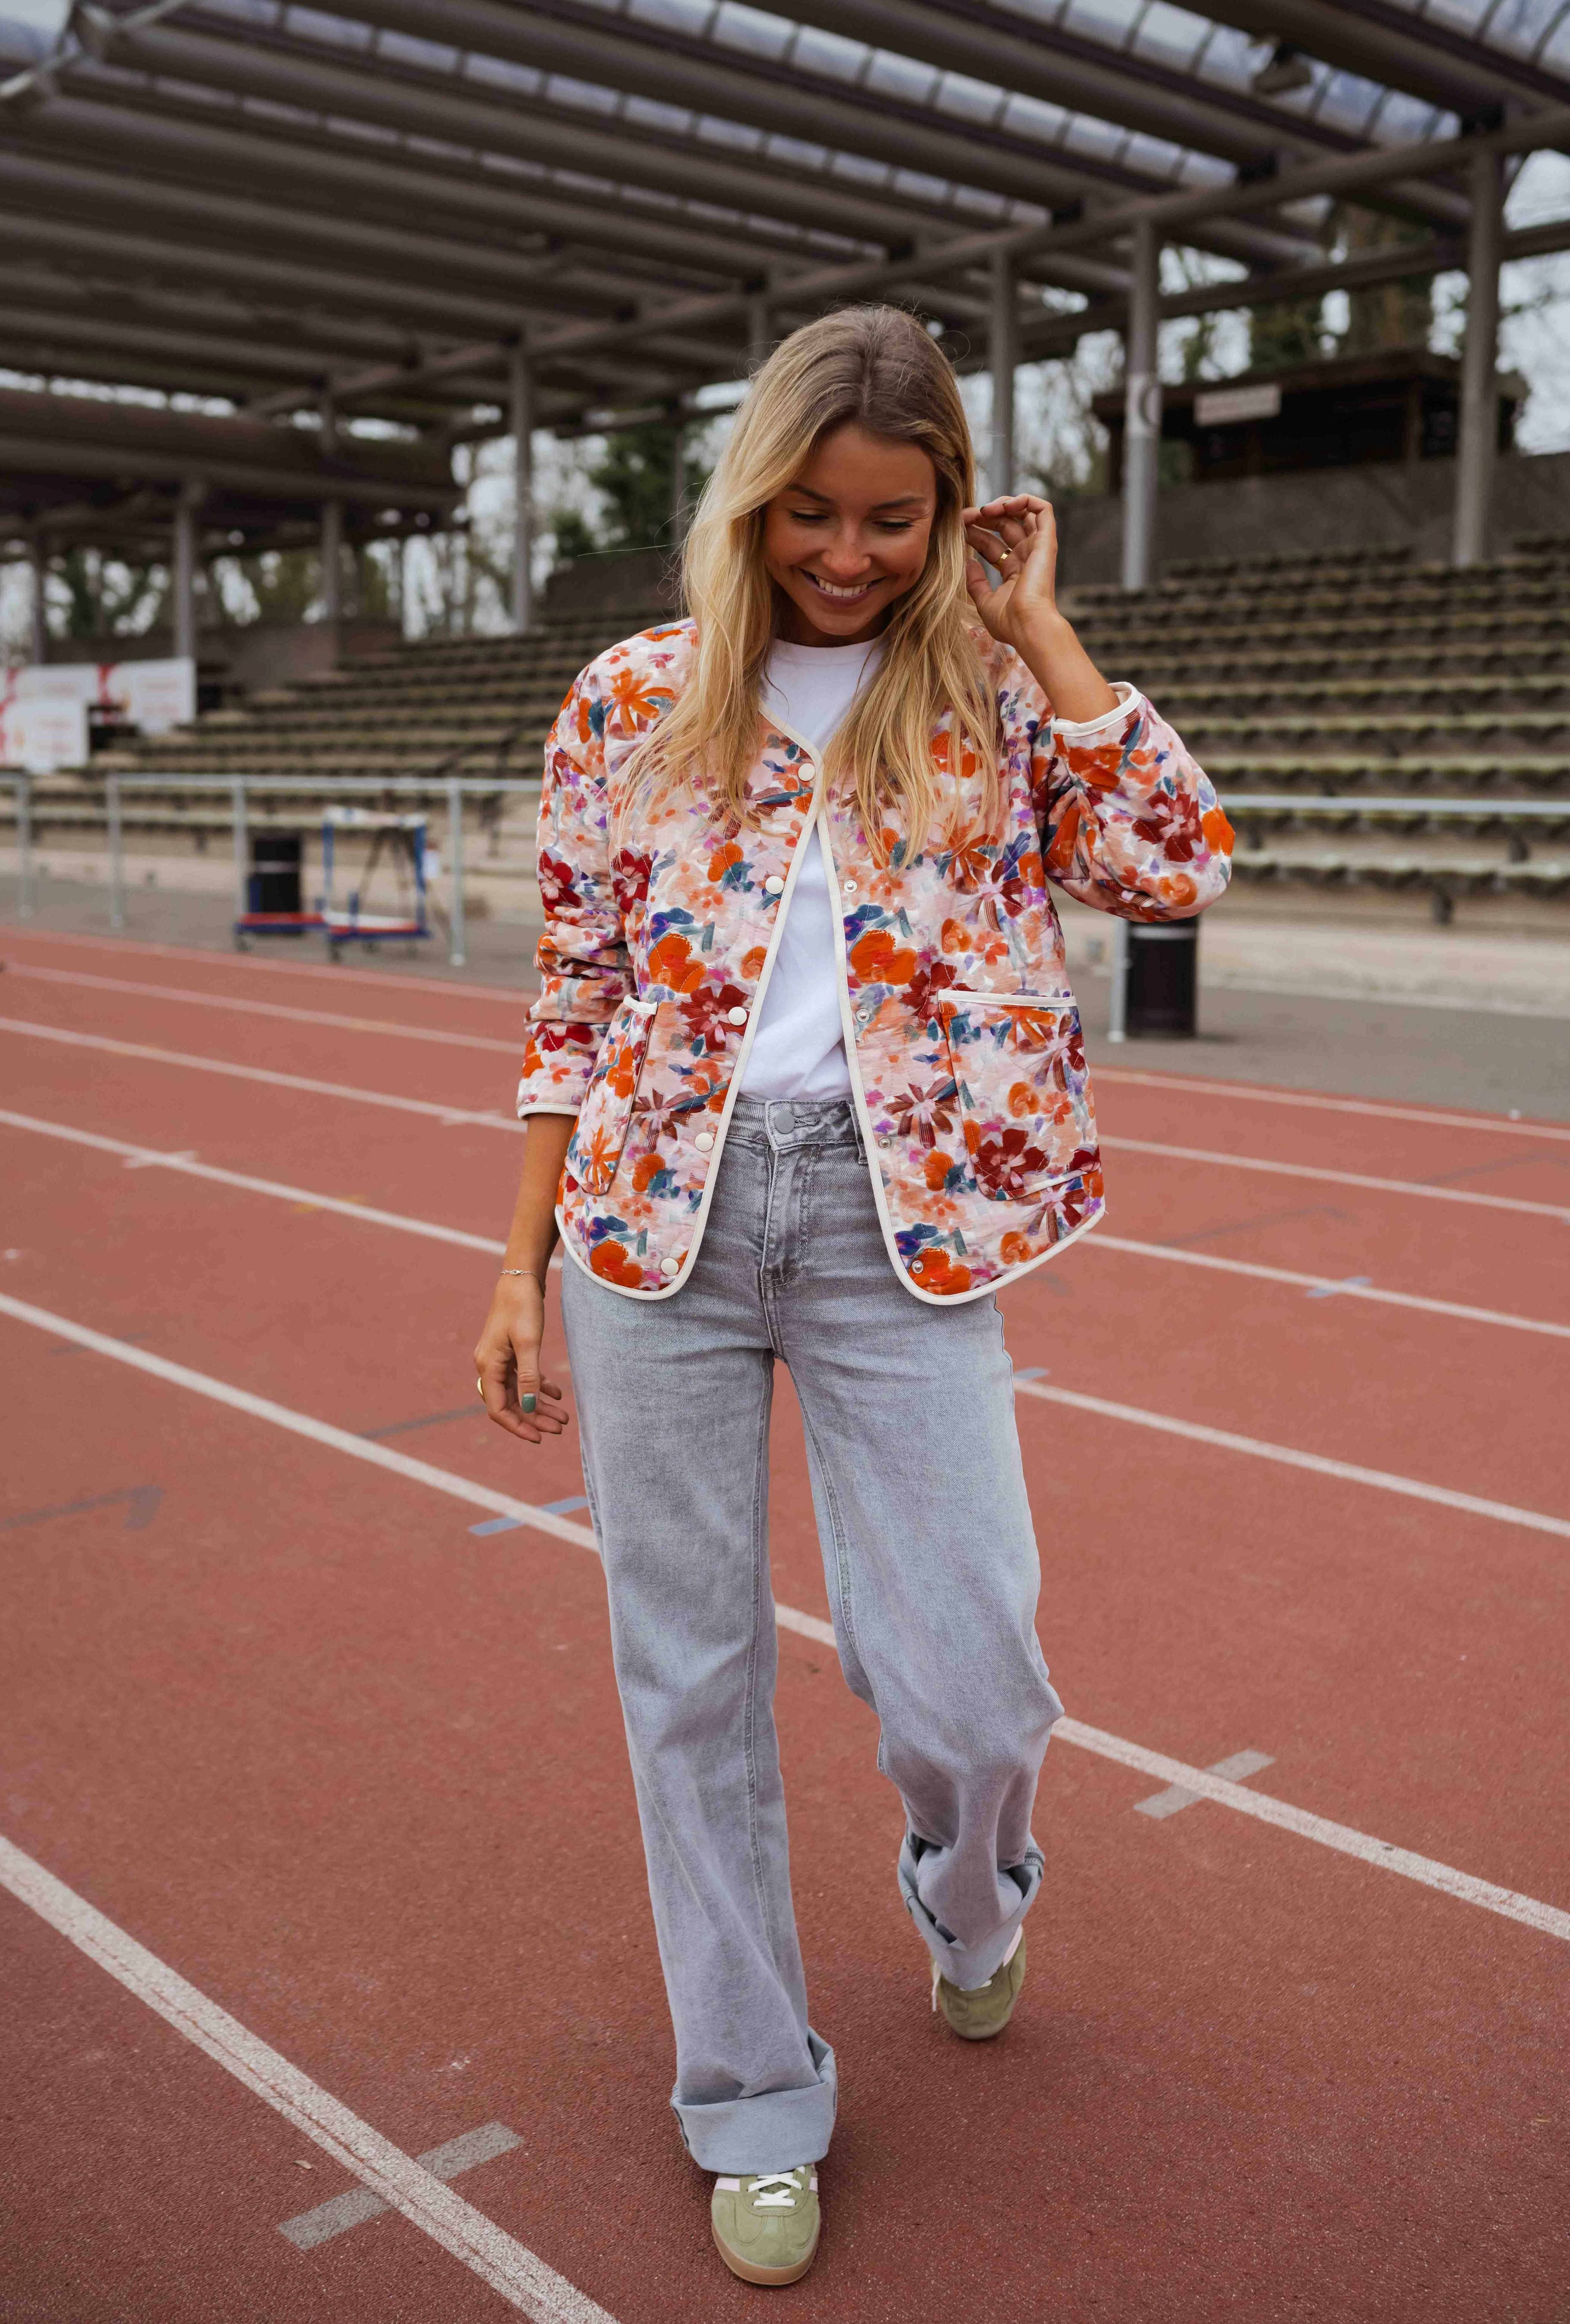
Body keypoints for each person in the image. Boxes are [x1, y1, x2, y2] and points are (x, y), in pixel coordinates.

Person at [473, 303, 1232, 2288]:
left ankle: (966, 1890)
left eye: (892, 516)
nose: (844, 552)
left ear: (951, 508)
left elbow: (1175, 866)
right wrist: (516, 1253)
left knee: (972, 1669)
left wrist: (1042, 629)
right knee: (689, 1676)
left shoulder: (981, 692)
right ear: (749, 501)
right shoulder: (630, 700)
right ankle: (747, 2085)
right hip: (666, 1222)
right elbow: (575, 995)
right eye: (809, 511)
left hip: (910, 1226)